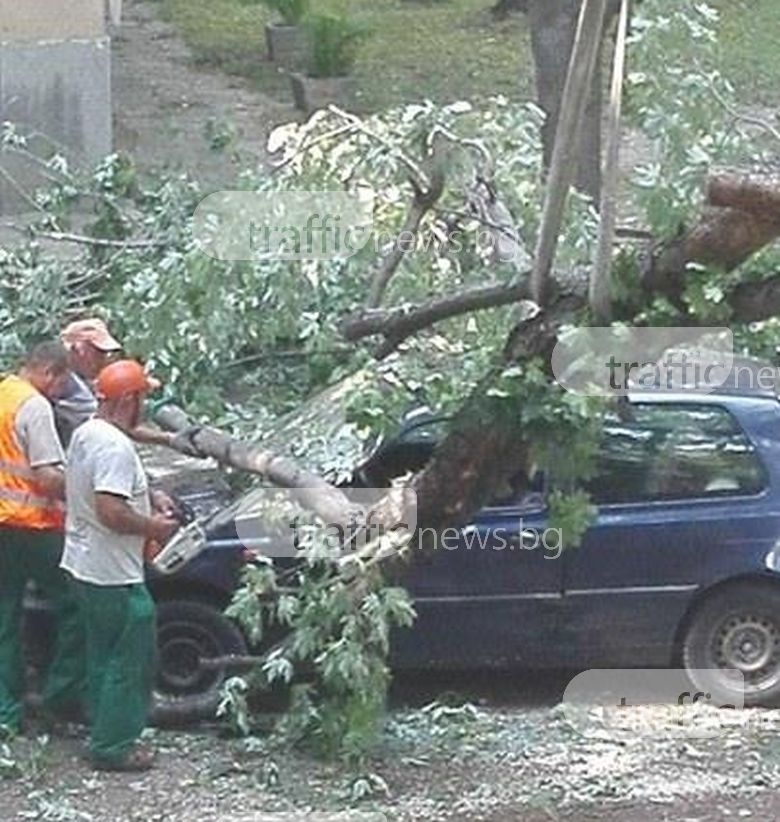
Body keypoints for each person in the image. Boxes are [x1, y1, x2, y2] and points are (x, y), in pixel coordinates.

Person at [60, 360, 179, 771]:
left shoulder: (88, 433)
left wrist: (151, 494)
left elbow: (106, 485)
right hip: (112, 570)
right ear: (129, 400)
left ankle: (102, 723)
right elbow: (111, 509)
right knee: (130, 656)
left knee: (103, 651)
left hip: (84, 561)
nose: (144, 406)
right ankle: (114, 746)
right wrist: (154, 527)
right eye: (142, 397)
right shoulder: (114, 447)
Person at [0, 342, 86, 736]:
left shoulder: (4, 393)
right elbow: (49, 477)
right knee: (79, 604)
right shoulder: (34, 407)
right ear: (50, 371)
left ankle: (7, 713)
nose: (59, 392)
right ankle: (60, 699)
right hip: (33, 527)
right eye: (62, 383)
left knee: (5, 618)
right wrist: (89, 489)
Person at [58, 317, 202, 458]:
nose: (104, 359)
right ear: (79, 349)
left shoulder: (79, 378)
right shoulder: (67, 385)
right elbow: (117, 422)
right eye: (99, 353)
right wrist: (170, 439)